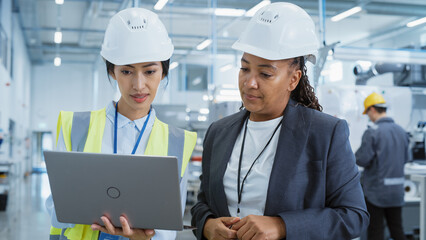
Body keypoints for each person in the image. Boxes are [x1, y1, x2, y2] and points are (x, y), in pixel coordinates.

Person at [191, 2, 369, 240]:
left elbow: (354, 217)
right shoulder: (219, 132)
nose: (250, 83)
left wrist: (282, 226)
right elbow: (202, 202)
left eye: (265, 74)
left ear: (293, 79)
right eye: (245, 69)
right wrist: (207, 225)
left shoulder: (325, 133)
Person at [45, 8, 197, 240]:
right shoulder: (74, 126)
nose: (139, 85)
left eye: (149, 71)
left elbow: (169, 229)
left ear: (163, 73)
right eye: (127, 71)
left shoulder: (179, 142)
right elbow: (56, 208)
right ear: (112, 71)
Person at [355, 92, 409, 240]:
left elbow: (361, 160)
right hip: (397, 191)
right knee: (397, 229)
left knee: (376, 231)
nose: (368, 117)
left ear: (372, 109)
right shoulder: (402, 131)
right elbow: (406, 158)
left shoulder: (372, 132)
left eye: (367, 113)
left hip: (376, 192)